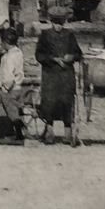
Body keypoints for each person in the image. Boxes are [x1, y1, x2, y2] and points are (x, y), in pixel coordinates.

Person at [35, 11, 84, 146]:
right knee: (49, 101)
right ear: (51, 23)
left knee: (67, 100)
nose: (58, 27)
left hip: (66, 74)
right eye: (56, 24)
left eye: (61, 24)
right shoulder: (45, 35)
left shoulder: (69, 35)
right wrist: (53, 59)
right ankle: (50, 131)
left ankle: (67, 133)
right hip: (50, 74)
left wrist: (71, 57)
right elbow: (39, 55)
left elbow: (79, 53)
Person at [0, 25, 27, 145]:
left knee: (7, 112)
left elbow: (8, 76)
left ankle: (11, 135)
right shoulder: (18, 53)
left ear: (5, 42)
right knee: (11, 111)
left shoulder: (8, 57)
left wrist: (5, 88)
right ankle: (11, 135)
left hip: (9, 88)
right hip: (17, 87)